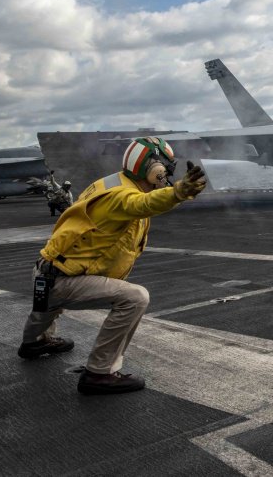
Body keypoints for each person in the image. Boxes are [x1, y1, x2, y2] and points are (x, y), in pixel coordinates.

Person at [17, 137, 207, 395]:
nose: (167, 175)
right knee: (135, 298)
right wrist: (177, 193)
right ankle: (100, 372)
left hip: (45, 271)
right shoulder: (123, 195)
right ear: (154, 169)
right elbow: (141, 205)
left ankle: (34, 343)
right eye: (165, 169)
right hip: (63, 282)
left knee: (49, 302)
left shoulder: (112, 181)